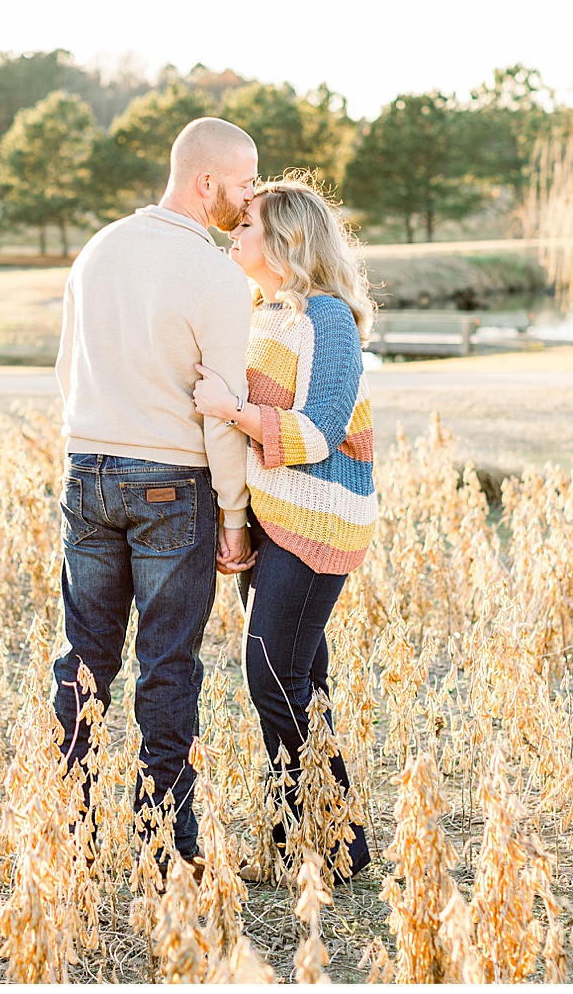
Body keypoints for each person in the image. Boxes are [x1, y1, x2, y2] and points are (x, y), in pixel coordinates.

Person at [52, 116, 259, 870]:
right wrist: (233, 517)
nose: (250, 197)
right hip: (173, 481)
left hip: (86, 468)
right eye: (244, 183)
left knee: (84, 659)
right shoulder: (215, 274)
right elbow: (222, 406)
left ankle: (68, 830)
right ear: (207, 182)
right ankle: (164, 843)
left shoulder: (97, 248)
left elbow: (66, 371)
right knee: (168, 664)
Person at [190, 177, 376, 881]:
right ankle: (318, 836)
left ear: (287, 239)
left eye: (246, 226)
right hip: (273, 518)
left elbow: (324, 429)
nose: (233, 235)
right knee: (301, 677)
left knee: (272, 674)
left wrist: (233, 411)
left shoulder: (325, 318)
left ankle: (328, 838)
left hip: (318, 519)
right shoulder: (265, 313)